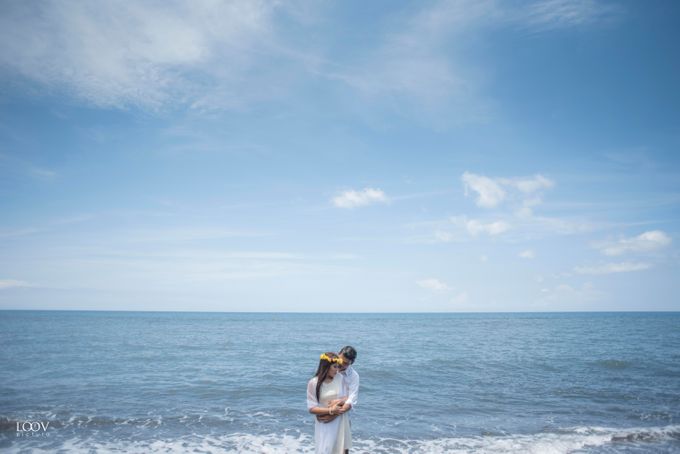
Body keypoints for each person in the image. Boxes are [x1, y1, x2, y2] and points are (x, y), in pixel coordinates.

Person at [307, 352, 352, 454]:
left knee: (340, 450)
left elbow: (348, 398)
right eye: (334, 367)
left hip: (340, 420)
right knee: (325, 450)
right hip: (324, 422)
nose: (337, 370)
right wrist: (330, 411)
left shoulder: (340, 378)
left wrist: (338, 405)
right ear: (326, 367)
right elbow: (311, 408)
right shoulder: (313, 383)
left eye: (338, 367)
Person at [317, 346, 359, 424]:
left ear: (351, 363)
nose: (341, 364)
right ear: (338, 354)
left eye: (346, 363)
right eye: (341, 360)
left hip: (342, 415)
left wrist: (333, 415)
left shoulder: (354, 376)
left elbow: (352, 400)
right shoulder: (328, 368)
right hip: (323, 411)